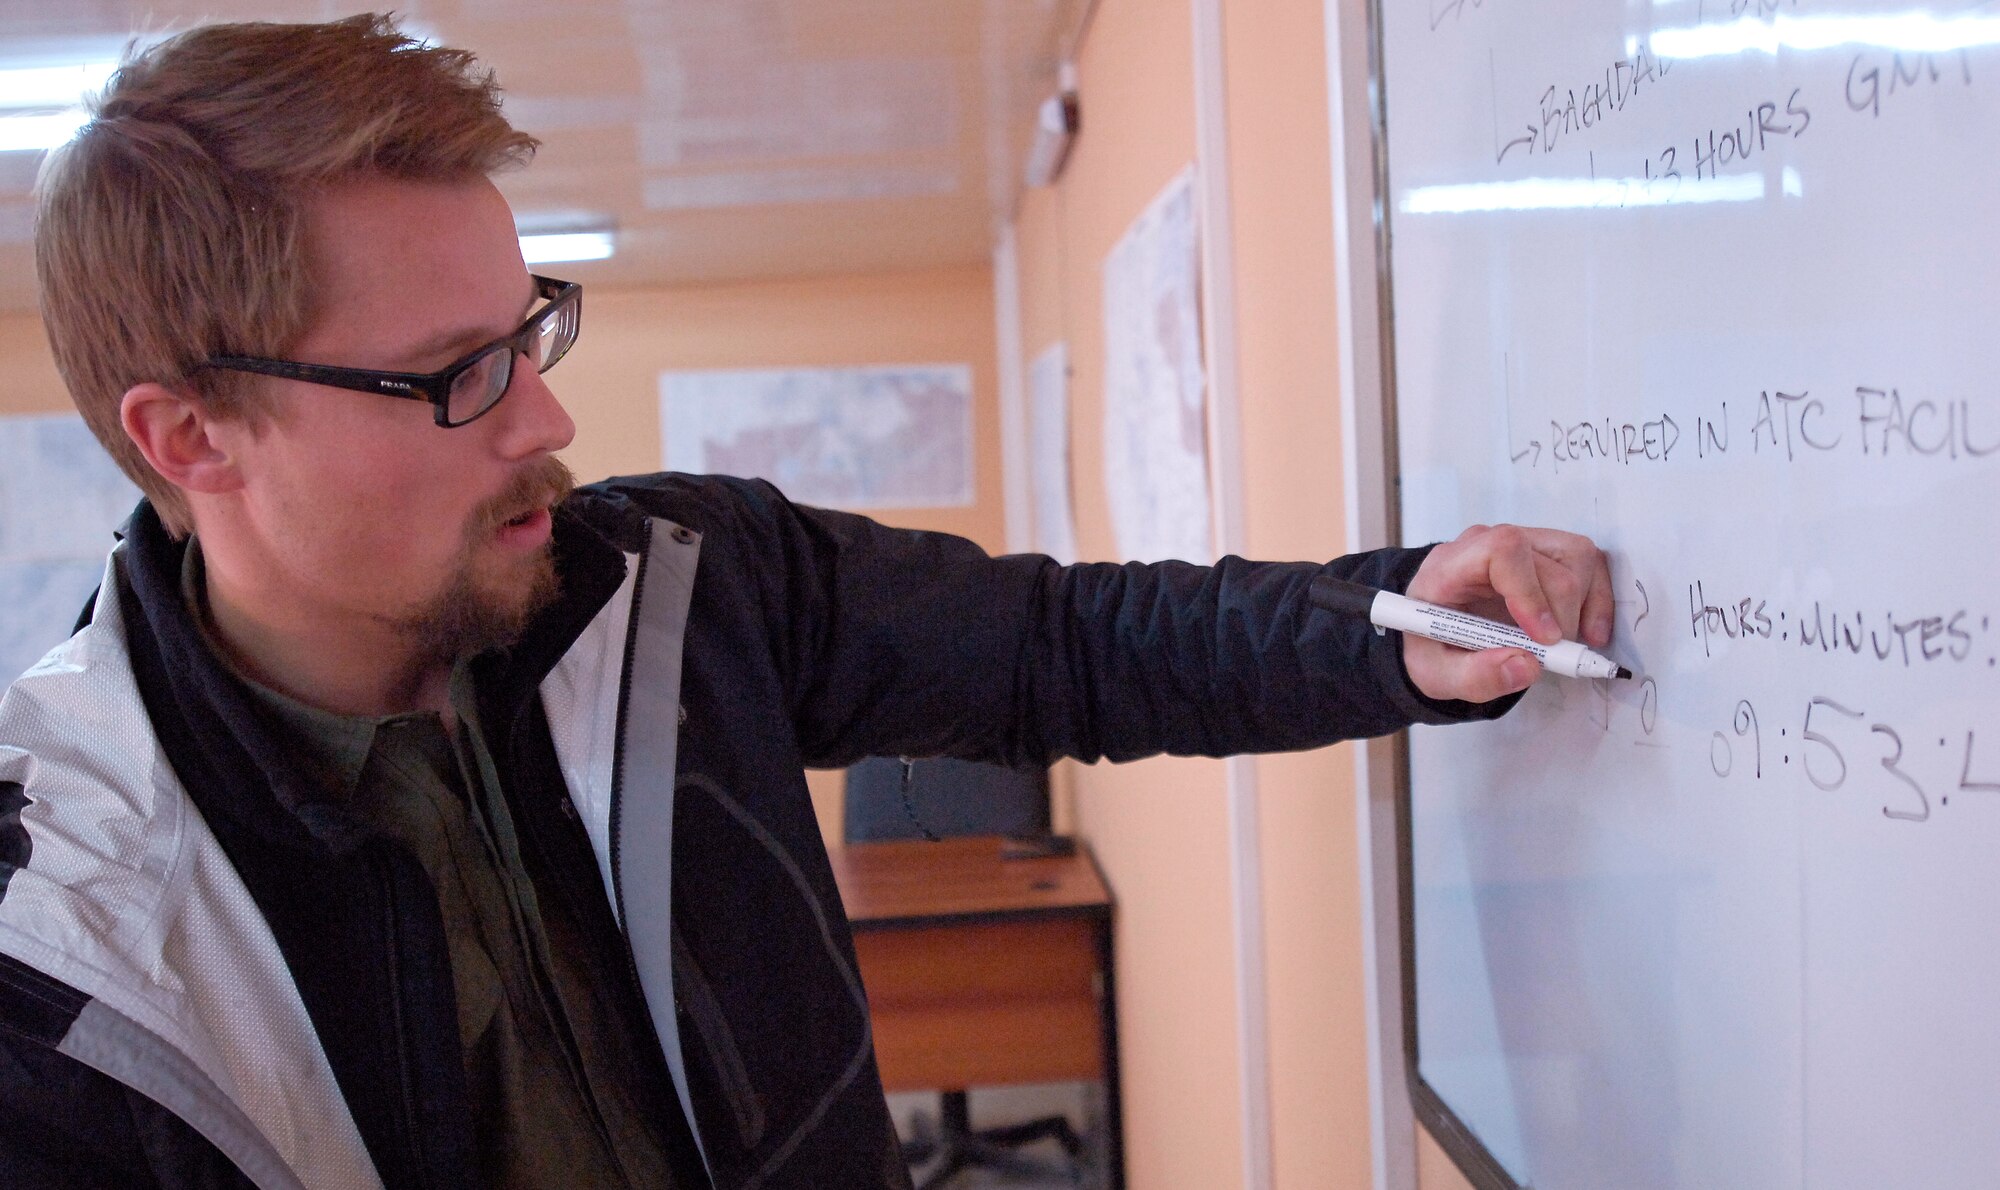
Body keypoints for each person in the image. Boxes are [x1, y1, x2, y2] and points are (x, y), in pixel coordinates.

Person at [0, 14, 1614, 1190]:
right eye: (452, 378)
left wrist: (1395, 617)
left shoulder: (682, 585)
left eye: (532, 329)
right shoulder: (59, 943)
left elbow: (1067, 647)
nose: (547, 422)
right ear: (188, 435)